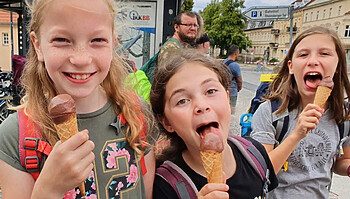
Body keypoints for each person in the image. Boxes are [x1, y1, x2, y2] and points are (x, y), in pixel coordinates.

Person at [0, 0, 158, 198]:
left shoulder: (138, 114)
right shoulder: (14, 137)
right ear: (38, 45)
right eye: (62, 40)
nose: (81, 59)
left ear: (113, 42)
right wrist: (49, 189)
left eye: (98, 40)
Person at [150, 49, 278, 199]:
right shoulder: (165, 186)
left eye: (210, 91)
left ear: (228, 98)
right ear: (166, 122)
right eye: (182, 100)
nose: (201, 106)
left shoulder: (255, 154)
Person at [250, 26, 350, 198]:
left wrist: (348, 168)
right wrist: (296, 134)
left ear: (338, 66)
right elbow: (261, 172)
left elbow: (341, 162)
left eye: (324, 54)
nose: (313, 61)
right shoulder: (271, 112)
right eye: (303, 55)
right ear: (291, 66)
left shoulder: (344, 115)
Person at [223, 44, 242, 114]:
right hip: (232, 91)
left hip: (224, 89)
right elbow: (239, 79)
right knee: (232, 110)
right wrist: (239, 88)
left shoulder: (224, 62)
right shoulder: (235, 65)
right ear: (235, 53)